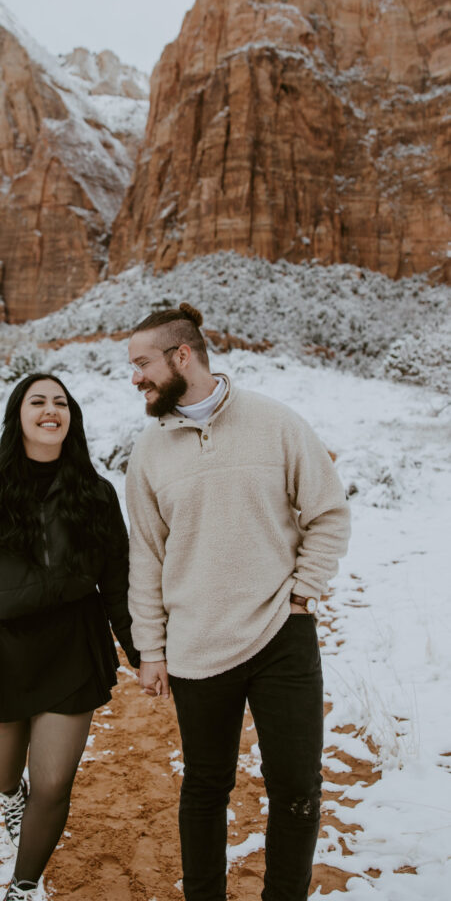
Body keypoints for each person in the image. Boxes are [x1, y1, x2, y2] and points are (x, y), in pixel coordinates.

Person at [125, 303, 351, 901]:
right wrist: (152, 647)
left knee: (297, 786)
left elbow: (328, 512)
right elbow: (145, 556)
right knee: (205, 785)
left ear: (183, 356)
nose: (135, 377)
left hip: (282, 634)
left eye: (143, 363)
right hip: (197, 644)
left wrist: (304, 593)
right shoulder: (147, 453)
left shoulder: (275, 423)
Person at [0, 372, 139, 901]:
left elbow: (117, 580)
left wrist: (143, 651)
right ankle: (9, 795)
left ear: (72, 417)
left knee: (53, 784)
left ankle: (23, 885)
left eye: (60, 402)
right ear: (17, 415)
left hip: (71, 647)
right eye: (37, 401)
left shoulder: (96, 493)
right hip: (0, 647)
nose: (50, 410)